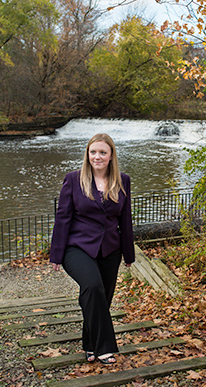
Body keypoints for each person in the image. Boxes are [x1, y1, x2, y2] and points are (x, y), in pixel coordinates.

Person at [49, 133, 135, 365]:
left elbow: (125, 220)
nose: (97, 156)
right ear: (87, 155)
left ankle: (90, 345)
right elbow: (63, 218)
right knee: (93, 286)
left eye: (102, 152)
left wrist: (129, 254)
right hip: (76, 247)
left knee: (101, 299)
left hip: (110, 249)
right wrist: (56, 254)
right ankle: (105, 347)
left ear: (111, 156)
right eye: (93, 152)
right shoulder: (74, 179)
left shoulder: (123, 181)